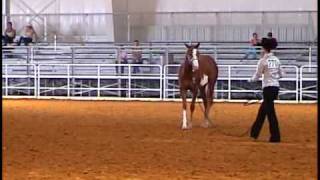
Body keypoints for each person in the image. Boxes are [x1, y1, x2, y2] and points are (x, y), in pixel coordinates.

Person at [248, 38, 285, 143]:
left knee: (270, 113)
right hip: (275, 87)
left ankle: (275, 136)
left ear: (264, 48)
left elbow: (257, 75)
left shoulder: (263, 61)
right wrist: (274, 76)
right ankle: (254, 133)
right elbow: (282, 74)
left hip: (267, 88)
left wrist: (250, 80)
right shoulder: (277, 60)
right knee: (263, 111)